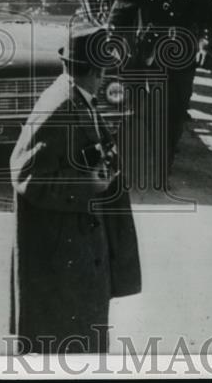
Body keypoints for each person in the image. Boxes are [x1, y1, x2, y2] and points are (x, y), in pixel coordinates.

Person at [9, 25, 141, 354]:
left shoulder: (76, 97)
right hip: (65, 253)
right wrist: (88, 184)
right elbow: (26, 174)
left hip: (78, 247)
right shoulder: (60, 107)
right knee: (70, 344)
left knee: (82, 337)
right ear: (96, 70)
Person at [108, 0, 212, 175]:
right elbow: (122, 8)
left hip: (183, 50)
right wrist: (113, 37)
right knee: (154, 104)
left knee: (178, 105)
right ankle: (159, 157)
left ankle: (168, 148)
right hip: (152, 51)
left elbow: (207, 12)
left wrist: (206, 40)